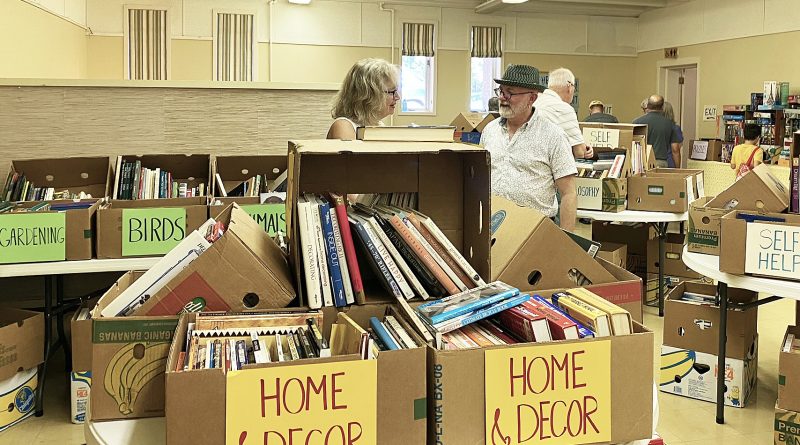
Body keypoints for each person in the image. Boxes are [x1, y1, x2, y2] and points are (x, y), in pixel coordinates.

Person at [480, 64, 578, 231]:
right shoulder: (490, 131)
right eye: (501, 91)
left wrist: (566, 241)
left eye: (510, 92)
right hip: (493, 225)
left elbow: (569, 193)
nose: (503, 98)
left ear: (532, 98)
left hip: (535, 230)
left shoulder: (553, 135)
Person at [327, 58, 400, 140]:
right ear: (368, 95)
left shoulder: (378, 125)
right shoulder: (343, 126)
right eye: (391, 92)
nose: (397, 97)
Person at [533, 67, 591, 159]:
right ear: (569, 87)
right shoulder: (564, 108)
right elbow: (580, 153)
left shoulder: (535, 101)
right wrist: (586, 150)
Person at [633, 95, 681, 168]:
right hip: (660, 162)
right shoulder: (669, 124)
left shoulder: (637, 122)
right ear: (662, 107)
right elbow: (675, 149)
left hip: (641, 162)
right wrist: (678, 169)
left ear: (648, 106)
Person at [663, 101, 684, 168]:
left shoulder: (655, 128)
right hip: (670, 162)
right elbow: (675, 149)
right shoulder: (675, 128)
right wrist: (677, 168)